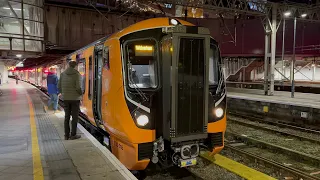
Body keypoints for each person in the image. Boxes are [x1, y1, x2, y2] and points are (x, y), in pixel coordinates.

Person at [58, 60, 82, 140]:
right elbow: (78, 88)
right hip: (75, 99)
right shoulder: (77, 75)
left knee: (67, 117)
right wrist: (81, 93)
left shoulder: (62, 74)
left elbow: (59, 87)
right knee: (75, 117)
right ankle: (73, 135)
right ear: (75, 66)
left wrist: (64, 93)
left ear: (69, 66)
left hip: (66, 99)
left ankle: (66, 135)